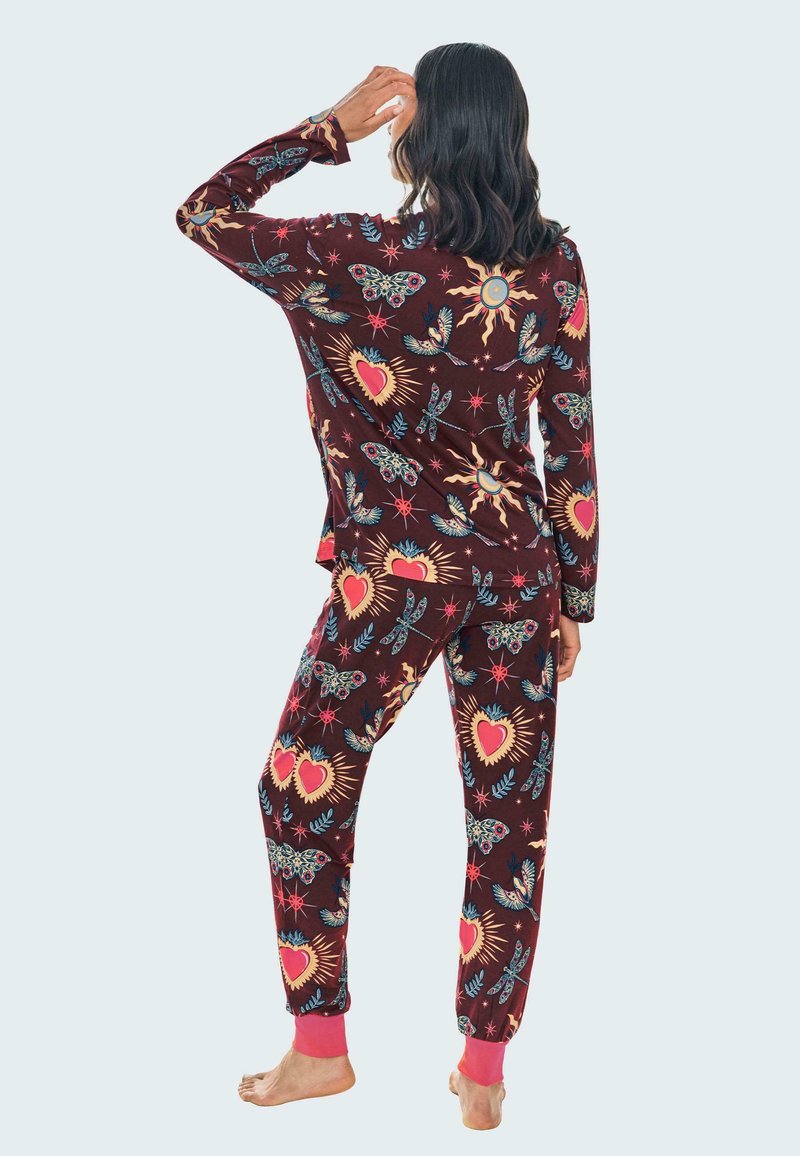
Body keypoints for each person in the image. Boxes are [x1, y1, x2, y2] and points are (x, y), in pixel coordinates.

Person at [175, 45, 599, 1130]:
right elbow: (570, 437)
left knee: (300, 785)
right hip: (517, 573)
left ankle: (321, 1047)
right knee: (509, 818)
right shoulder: (552, 264)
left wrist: (327, 131)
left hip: (399, 575)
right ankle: (483, 1071)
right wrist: (574, 596)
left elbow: (204, 213)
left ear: (422, 132)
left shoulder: (355, 254)